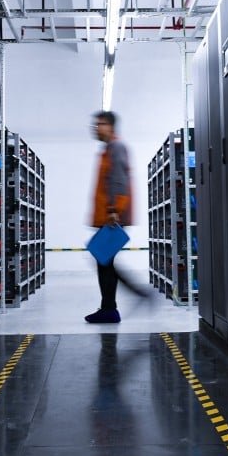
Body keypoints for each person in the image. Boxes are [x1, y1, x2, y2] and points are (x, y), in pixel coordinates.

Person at [85, 111, 147, 323]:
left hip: (112, 215)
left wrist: (114, 210)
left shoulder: (117, 147)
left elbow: (119, 180)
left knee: (103, 259)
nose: (96, 127)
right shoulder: (107, 150)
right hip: (106, 215)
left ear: (110, 126)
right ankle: (110, 308)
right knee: (103, 260)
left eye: (100, 124)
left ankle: (122, 303)